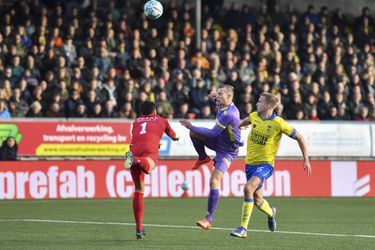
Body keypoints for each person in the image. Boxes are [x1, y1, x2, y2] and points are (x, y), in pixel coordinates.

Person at [230, 92, 311, 238]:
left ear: (268, 106)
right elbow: (245, 122)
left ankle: (243, 228)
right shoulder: (254, 116)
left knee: (248, 188)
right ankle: (271, 213)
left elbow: (299, 137)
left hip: (265, 164)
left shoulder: (278, 123)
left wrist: (306, 159)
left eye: (259, 101)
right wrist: (240, 126)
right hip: (249, 164)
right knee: (258, 200)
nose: (256, 103)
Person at [180, 84, 243, 230]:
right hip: (219, 142)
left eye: (221, 95)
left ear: (229, 97)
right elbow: (216, 98)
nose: (218, 97)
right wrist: (214, 95)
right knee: (194, 134)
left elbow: (213, 132)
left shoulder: (229, 114)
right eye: (218, 94)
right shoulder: (223, 103)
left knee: (214, 181)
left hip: (227, 151)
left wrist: (192, 126)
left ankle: (208, 219)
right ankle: (203, 158)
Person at [124, 101, 179, 239]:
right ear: (154, 110)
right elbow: (173, 135)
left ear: (141, 112)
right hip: (146, 153)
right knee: (151, 164)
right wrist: (175, 137)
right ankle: (136, 160)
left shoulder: (136, 122)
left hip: (134, 150)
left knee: (138, 190)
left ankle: (139, 228)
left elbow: (140, 136)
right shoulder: (162, 120)